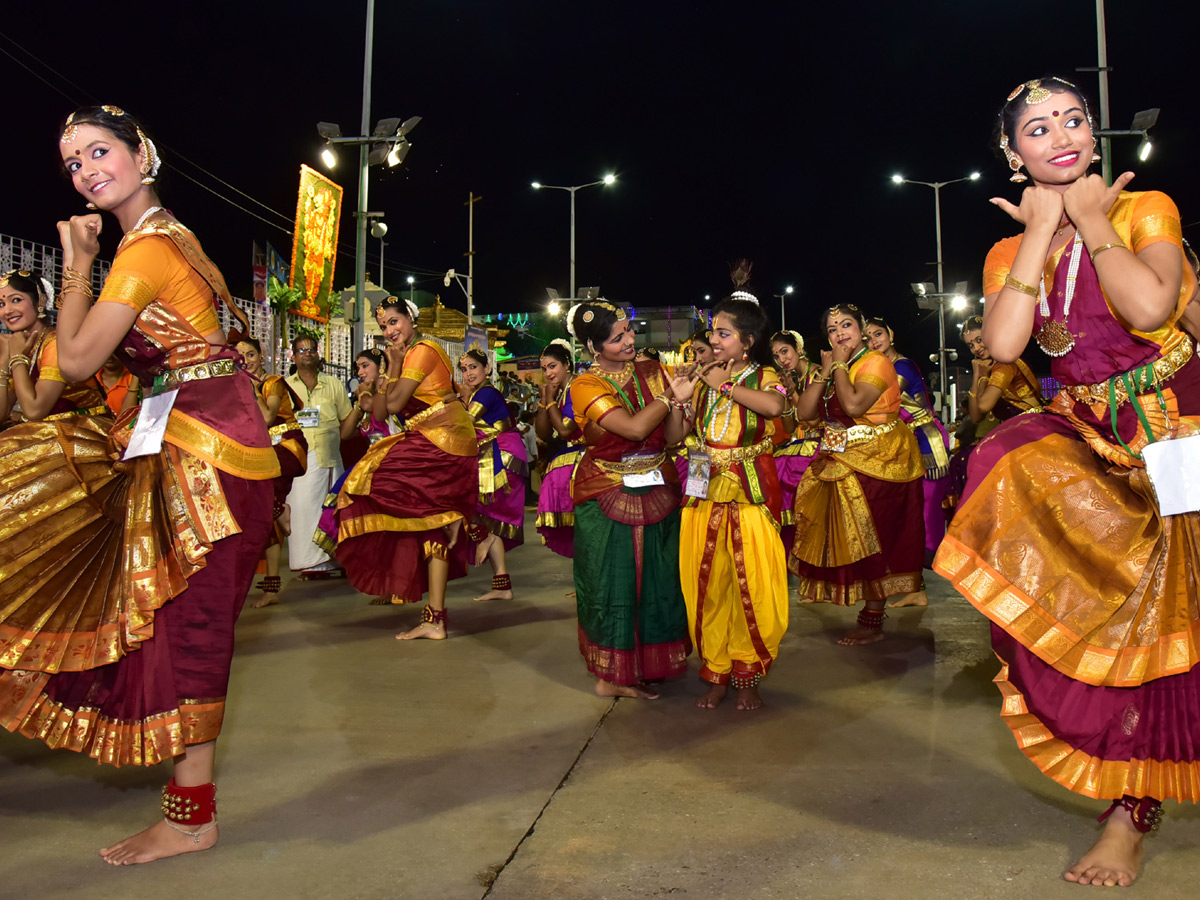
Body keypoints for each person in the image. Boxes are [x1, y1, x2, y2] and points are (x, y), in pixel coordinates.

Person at [933, 76, 1200, 887]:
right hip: (1088, 438)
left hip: (1177, 436)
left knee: (1177, 622)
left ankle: (1133, 812)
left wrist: (1089, 218)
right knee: (1000, 463)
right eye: (1038, 129)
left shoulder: (1143, 206)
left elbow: (1152, 309)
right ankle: (1128, 802)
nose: (1062, 136)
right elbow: (1009, 346)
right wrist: (1045, 237)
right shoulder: (1008, 249)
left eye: (1074, 119)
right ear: (1014, 155)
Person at [0, 105, 277, 864]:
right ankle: (189, 812)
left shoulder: (144, 249)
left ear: (141, 152)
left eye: (99, 151)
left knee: (186, 630)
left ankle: (191, 818)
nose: (87, 170)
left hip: (206, 454)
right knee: (171, 623)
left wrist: (76, 263)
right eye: (73, 163)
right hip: (205, 443)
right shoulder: (172, 235)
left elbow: (82, 360)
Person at [667, 275, 789, 711]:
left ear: (748, 341)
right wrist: (680, 401)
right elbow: (678, 436)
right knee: (706, 588)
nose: (714, 340)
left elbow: (775, 409)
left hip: (749, 495)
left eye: (724, 333)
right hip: (703, 495)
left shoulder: (764, 376)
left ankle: (748, 674)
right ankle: (715, 671)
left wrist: (720, 383)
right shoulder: (702, 379)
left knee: (751, 587)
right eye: (713, 332)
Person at [332, 297, 478, 639]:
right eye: (384, 326)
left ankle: (470, 523)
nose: (390, 330)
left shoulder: (423, 350)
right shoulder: (403, 356)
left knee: (369, 476)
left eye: (395, 322)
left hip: (445, 438)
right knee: (429, 523)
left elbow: (395, 403)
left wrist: (392, 368)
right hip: (429, 437)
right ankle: (434, 619)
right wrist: (389, 370)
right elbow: (381, 415)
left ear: (411, 321)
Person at [567, 299, 690, 698]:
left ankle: (647, 663)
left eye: (629, 332)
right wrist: (670, 399)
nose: (629, 341)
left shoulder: (653, 372)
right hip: (605, 489)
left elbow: (671, 438)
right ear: (593, 347)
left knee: (659, 580)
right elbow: (635, 429)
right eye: (616, 337)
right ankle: (611, 677)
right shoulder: (586, 385)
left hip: (658, 486)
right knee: (611, 584)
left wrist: (681, 403)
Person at [788, 303, 925, 644]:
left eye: (846, 325)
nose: (839, 333)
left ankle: (872, 621)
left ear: (862, 328)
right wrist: (824, 371)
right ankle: (867, 615)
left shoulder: (875, 362)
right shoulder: (836, 366)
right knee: (849, 538)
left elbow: (853, 405)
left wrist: (836, 368)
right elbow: (805, 414)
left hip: (881, 462)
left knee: (874, 539)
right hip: (841, 458)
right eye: (832, 329)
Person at [864, 317, 952, 605]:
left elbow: (882, 400)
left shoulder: (901, 367)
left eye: (878, 333)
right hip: (906, 443)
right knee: (910, 517)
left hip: (926, 442)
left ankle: (921, 583)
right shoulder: (882, 367)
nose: (874, 341)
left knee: (925, 517)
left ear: (890, 333)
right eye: (868, 338)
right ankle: (917, 588)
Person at [237, 336, 308, 608]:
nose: (246, 361)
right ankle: (271, 588)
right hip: (259, 451)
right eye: (240, 356)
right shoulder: (236, 386)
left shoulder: (273, 382)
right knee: (264, 517)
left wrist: (252, 390)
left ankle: (281, 511)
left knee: (266, 503)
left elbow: (267, 418)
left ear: (261, 356)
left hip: (286, 447)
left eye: (251, 354)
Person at [458, 347, 527, 601]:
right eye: (464, 370)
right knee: (484, 514)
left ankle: (486, 538)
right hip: (495, 455)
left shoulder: (486, 392)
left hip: (502, 457)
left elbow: (465, 420)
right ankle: (502, 585)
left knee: (471, 506)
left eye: (473, 367)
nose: (468, 374)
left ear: (487, 369)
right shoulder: (479, 393)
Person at [285, 334, 353, 578]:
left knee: (328, 510)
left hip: (327, 457)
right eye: (302, 350)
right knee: (301, 509)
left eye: (312, 349)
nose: (307, 353)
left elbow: (346, 419)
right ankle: (307, 563)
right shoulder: (285, 385)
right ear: (293, 355)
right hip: (299, 456)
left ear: (318, 353)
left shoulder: (333, 384)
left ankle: (330, 562)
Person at [0, 268, 107, 423]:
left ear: (41, 301)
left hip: (77, 430)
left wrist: (17, 357)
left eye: (16, 300)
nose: (7, 310)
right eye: (1, 304)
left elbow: (35, 411)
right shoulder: (24, 344)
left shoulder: (54, 343)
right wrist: (3, 360)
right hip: (45, 431)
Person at [769, 329, 822, 554]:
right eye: (776, 356)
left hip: (822, 440)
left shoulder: (818, 375)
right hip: (799, 442)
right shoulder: (791, 379)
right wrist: (788, 396)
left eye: (785, 351)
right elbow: (791, 427)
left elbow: (811, 417)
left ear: (798, 349)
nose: (782, 359)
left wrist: (793, 394)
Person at [535, 339, 583, 557]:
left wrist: (551, 401)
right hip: (567, 457)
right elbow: (543, 433)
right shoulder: (559, 392)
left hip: (583, 459)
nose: (548, 373)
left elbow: (565, 430)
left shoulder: (578, 388)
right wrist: (546, 401)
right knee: (576, 529)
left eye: (552, 366)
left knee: (584, 529)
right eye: (544, 368)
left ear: (567, 364)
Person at [959, 314, 1045, 422]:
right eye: (970, 345)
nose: (976, 348)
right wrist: (977, 376)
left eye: (979, 340)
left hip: (1030, 426)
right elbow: (976, 418)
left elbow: (983, 406)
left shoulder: (1005, 363)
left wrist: (984, 377)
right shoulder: (990, 366)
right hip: (1014, 427)